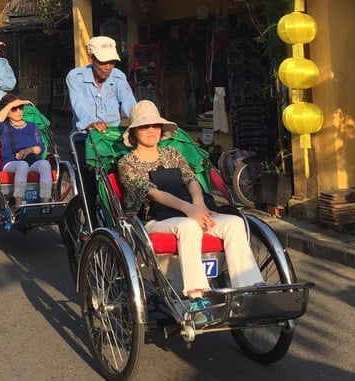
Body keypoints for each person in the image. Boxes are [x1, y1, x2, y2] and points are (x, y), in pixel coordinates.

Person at [117, 101, 265, 323]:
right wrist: (189, 210)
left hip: (189, 210)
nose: (151, 131)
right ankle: (197, 297)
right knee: (189, 226)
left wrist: (198, 203)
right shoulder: (127, 163)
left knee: (234, 223)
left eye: (155, 126)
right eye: (144, 127)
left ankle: (247, 291)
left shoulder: (173, 154)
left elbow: (191, 179)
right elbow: (153, 193)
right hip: (154, 219)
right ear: (135, 132)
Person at [66, 36, 137, 133]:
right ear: (91, 58)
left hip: (112, 136)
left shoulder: (118, 77)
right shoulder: (76, 77)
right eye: (103, 62)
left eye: (112, 62)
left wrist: (141, 119)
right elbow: (79, 105)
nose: (108, 67)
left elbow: (129, 102)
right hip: (84, 138)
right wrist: (92, 122)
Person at [0, 93, 52, 212]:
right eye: (14, 109)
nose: (18, 111)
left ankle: (45, 204)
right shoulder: (4, 126)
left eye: (20, 107)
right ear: (7, 110)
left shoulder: (32, 126)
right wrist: (11, 104)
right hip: (10, 163)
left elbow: (39, 146)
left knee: (45, 164)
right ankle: (18, 204)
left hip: (30, 161)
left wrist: (29, 150)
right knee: (22, 165)